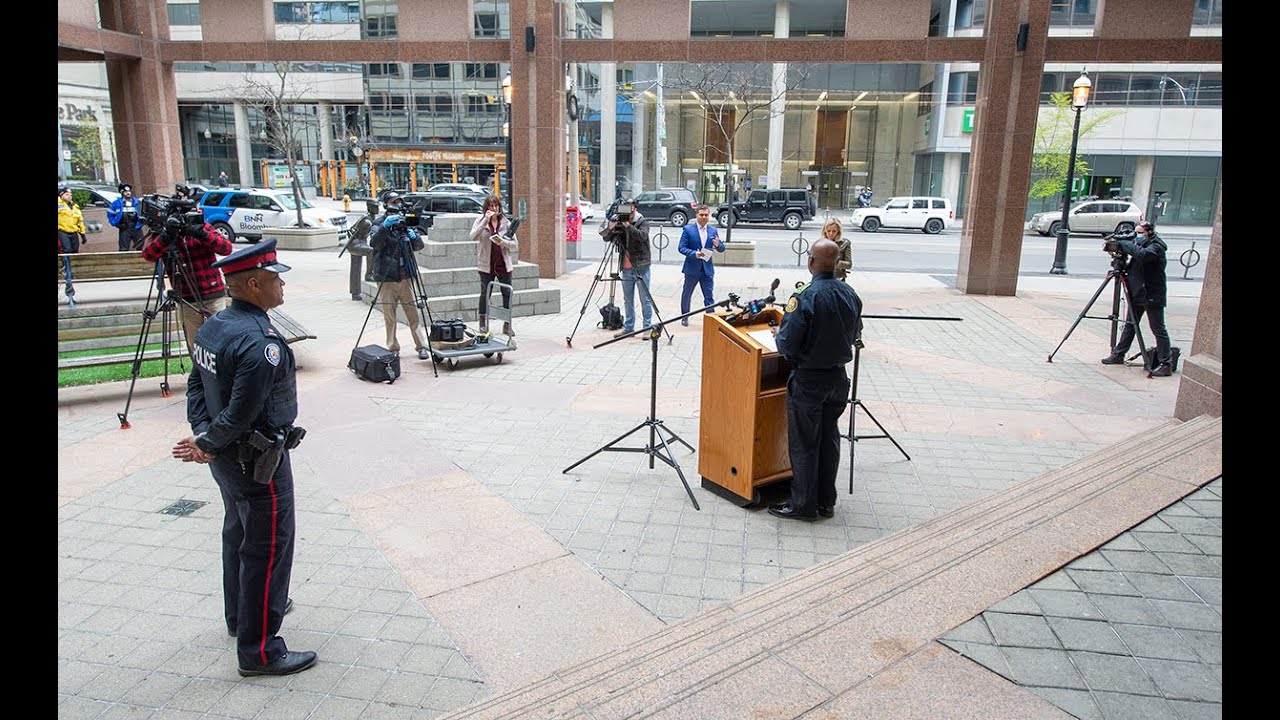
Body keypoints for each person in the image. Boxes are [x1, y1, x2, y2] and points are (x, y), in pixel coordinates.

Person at [173, 239, 316, 678]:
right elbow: (243, 409)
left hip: (226, 459)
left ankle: (242, 614)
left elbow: (196, 386)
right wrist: (209, 441)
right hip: (257, 461)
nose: (282, 287)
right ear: (253, 285)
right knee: (267, 548)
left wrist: (203, 436)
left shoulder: (214, 326)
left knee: (238, 532)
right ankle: (260, 651)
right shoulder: (260, 341)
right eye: (276, 280)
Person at [770, 238, 863, 521]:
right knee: (829, 439)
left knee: (804, 443)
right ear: (836, 264)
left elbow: (787, 345)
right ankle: (826, 502)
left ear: (811, 261)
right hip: (838, 379)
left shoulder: (805, 296)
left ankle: (803, 505)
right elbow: (855, 332)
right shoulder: (850, 293)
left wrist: (779, 337)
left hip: (809, 379)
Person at [140, 195, 233, 356]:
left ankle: (222, 377)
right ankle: (200, 378)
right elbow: (149, 255)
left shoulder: (201, 226)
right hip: (186, 298)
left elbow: (226, 248)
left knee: (221, 342)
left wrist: (201, 234)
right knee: (195, 346)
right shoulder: (163, 231)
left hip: (213, 295)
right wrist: (166, 236)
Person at [1100, 221, 1173, 376]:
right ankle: (1119, 354)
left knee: (1158, 328)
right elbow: (1134, 266)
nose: (1137, 235)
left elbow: (1142, 256)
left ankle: (1165, 363)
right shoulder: (1141, 245)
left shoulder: (1156, 247)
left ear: (1149, 233)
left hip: (1152, 294)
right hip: (1138, 292)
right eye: (1136, 232)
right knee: (1130, 325)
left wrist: (1125, 243)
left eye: (1140, 233)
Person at [368, 192, 430, 359]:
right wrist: (385, 228)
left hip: (406, 276)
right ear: (386, 205)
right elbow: (375, 244)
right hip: (386, 277)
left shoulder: (405, 222)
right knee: (390, 315)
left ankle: (421, 345)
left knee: (413, 314)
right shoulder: (379, 224)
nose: (397, 206)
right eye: (394, 202)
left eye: (399, 203)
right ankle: (393, 347)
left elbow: (418, 246)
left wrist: (413, 235)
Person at [599, 200, 653, 338]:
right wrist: (611, 227)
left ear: (634, 208)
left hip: (641, 266)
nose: (627, 212)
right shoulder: (619, 221)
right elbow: (606, 238)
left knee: (645, 299)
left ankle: (647, 328)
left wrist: (628, 226)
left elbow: (642, 236)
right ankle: (629, 327)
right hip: (626, 267)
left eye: (629, 209)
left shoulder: (642, 221)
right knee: (627, 299)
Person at [469, 194, 520, 335]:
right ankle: (482, 323)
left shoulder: (506, 222)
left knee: (507, 294)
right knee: (485, 294)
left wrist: (503, 242)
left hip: (503, 264)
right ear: (486, 208)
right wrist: (485, 220)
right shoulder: (480, 220)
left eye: (496, 205)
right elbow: (472, 236)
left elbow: (515, 244)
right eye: (491, 205)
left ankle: (507, 324)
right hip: (486, 264)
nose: (494, 208)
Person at [677, 204, 724, 326]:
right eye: (701, 215)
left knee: (709, 295)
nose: (704, 217)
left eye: (706, 215)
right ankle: (685, 316)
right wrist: (693, 253)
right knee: (687, 293)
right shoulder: (688, 230)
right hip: (692, 268)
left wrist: (718, 245)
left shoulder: (713, 231)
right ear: (696, 215)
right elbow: (681, 248)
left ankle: (711, 318)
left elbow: (721, 248)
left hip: (707, 269)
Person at [108, 183, 145, 251]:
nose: (128, 193)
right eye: (126, 192)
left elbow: (144, 213)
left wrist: (141, 223)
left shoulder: (137, 202)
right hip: (124, 228)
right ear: (122, 192)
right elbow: (110, 214)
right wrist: (116, 223)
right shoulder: (116, 203)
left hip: (136, 227)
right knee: (123, 248)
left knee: (141, 247)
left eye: (129, 191)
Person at [58, 186, 87, 254]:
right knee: (66, 250)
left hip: (73, 231)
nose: (69, 196)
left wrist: (83, 234)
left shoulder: (74, 206)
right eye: (67, 194)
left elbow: (80, 220)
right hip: (62, 231)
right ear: (61, 195)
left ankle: (74, 264)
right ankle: (66, 264)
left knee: (75, 250)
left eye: (70, 195)